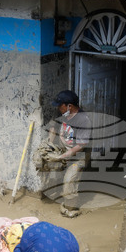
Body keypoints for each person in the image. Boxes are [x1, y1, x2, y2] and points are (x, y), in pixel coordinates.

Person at [46, 89, 92, 218]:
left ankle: (71, 209)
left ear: (69, 106)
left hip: (78, 155)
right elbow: (53, 127)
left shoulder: (83, 120)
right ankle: (56, 195)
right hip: (63, 148)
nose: (58, 108)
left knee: (69, 181)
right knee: (51, 170)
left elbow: (81, 145)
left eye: (60, 105)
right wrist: (50, 144)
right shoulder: (62, 112)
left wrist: (63, 156)